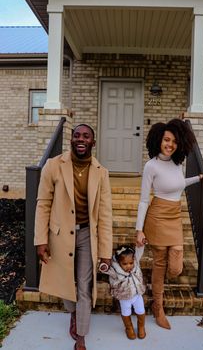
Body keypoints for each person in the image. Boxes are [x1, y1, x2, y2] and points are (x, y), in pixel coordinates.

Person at [34, 124, 113, 350]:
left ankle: (81, 333)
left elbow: (106, 215)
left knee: (85, 286)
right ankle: (74, 314)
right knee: (65, 279)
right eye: (76, 135)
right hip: (60, 236)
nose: (81, 139)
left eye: (86, 136)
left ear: (93, 143)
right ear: (71, 139)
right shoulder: (53, 166)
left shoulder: (101, 172)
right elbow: (43, 204)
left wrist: (106, 253)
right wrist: (41, 240)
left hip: (88, 235)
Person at [136, 118, 203, 330]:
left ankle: (156, 289)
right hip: (156, 216)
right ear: (158, 140)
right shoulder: (151, 166)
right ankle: (158, 306)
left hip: (175, 216)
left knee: (175, 267)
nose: (170, 144)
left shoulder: (177, 163)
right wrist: (139, 229)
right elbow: (144, 199)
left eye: (174, 141)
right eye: (166, 140)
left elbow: (179, 184)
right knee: (159, 264)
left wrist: (198, 178)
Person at [100, 244, 146, 340]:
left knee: (141, 311)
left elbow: (139, 252)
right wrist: (104, 267)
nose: (128, 266)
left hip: (137, 295)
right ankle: (129, 328)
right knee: (126, 312)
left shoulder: (136, 264)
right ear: (118, 263)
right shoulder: (115, 270)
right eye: (124, 264)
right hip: (124, 297)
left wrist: (141, 244)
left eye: (130, 263)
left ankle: (141, 326)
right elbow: (106, 269)